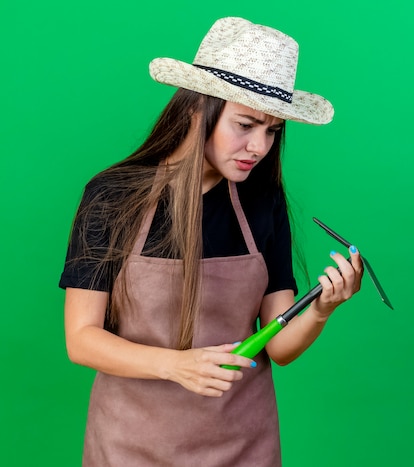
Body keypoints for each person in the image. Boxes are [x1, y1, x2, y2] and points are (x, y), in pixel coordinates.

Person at [60, 16, 363, 466]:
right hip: (130, 443)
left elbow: (278, 347)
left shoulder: (263, 202)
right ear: (197, 109)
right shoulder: (113, 196)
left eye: (272, 130)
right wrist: (176, 365)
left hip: (242, 442)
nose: (259, 147)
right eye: (246, 124)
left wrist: (322, 307)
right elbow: (81, 339)